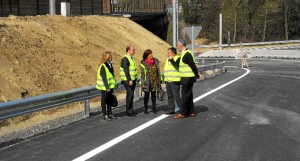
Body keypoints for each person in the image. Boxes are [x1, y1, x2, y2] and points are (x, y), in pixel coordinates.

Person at [174, 39, 200, 119]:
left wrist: (196, 74)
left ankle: (183, 113)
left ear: (181, 45)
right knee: (189, 95)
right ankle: (191, 111)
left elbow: (192, 65)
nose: (176, 47)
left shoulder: (186, 54)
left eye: (177, 45)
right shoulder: (185, 53)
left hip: (187, 78)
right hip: (188, 78)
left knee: (185, 95)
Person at [96, 51, 117, 121]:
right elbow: (104, 78)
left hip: (110, 87)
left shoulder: (110, 65)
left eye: (110, 56)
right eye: (109, 56)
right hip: (105, 87)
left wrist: (114, 85)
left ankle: (110, 113)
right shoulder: (103, 66)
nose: (110, 57)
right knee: (104, 101)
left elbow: (112, 76)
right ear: (105, 57)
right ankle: (105, 115)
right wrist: (107, 87)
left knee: (109, 100)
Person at [140, 49, 161, 114]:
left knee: (153, 94)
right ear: (146, 56)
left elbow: (158, 71)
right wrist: (143, 83)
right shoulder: (143, 63)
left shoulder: (155, 61)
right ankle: (145, 108)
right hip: (147, 81)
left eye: (151, 54)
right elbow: (142, 74)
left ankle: (154, 107)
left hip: (154, 81)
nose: (151, 55)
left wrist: (159, 80)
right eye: (149, 54)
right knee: (146, 95)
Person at [120, 45, 138, 117]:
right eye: (133, 50)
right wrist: (129, 79)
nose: (134, 51)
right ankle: (128, 111)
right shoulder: (125, 58)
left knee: (130, 95)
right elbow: (126, 70)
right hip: (127, 80)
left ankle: (130, 110)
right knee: (130, 94)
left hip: (132, 80)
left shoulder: (131, 58)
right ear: (129, 50)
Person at [164, 47, 182, 114]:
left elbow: (177, 66)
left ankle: (182, 109)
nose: (167, 54)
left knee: (176, 95)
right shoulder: (167, 59)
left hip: (175, 80)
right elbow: (166, 70)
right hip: (168, 81)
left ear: (173, 53)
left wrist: (171, 60)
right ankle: (171, 110)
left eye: (169, 52)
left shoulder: (178, 58)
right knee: (170, 96)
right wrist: (165, 80)